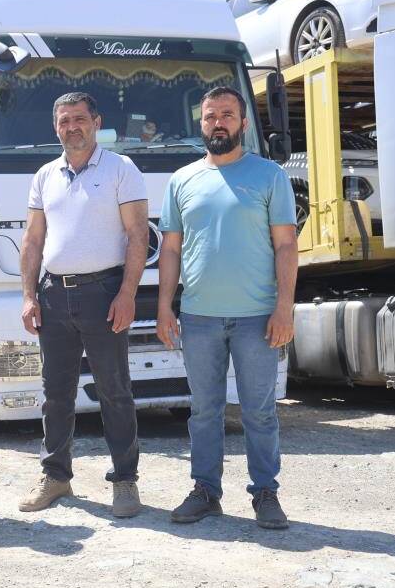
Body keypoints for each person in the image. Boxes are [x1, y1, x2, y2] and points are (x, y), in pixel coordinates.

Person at [156, 86, 297, 530]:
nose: (218, 122)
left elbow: (286, 245)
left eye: (227, 115)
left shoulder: (269, 175)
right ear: (201, 123)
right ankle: (205, 491)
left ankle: (266, 493)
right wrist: (164, 307)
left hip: (257, 317)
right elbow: (171, 250)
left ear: (243, 123)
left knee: (259, 411)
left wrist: (284, 308)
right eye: (211, 115)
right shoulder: (182, 180)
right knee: (204, 411)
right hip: (198, 317)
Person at [19, 92, 149, 518]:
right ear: (55, 126)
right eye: (64, 120)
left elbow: (138, 235)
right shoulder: (45, 175)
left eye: (79, 119)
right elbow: (33, 239)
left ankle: (125, 480)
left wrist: (127, 294)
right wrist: (28, 296)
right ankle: (55, 476)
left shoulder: (121, 168)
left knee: (115, 392)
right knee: (56, 394)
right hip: (54, 295)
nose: (71, 127)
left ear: (96, 121)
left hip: (104, 294)